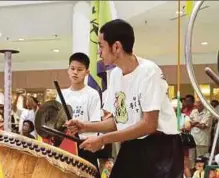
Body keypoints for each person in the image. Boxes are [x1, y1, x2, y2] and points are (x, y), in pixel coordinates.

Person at [66, 19, 183, 178]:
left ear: (116, 47)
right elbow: (118, 121)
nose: (99, 53)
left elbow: (149, 124)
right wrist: (85, 126)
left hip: (161, 147)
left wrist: (102, 140)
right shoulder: (115, 75)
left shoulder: (149, 72)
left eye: (101, 46)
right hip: (133, 143)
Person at [56, 52, 101, 176]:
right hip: (65, 148)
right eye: (72, 68)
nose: (75, 72)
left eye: (79, 69)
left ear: (87, 72)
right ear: (68, 70)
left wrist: (80, 129)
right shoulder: (62, 95)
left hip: (85, 147)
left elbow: (95, 124)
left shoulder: (92, 94)